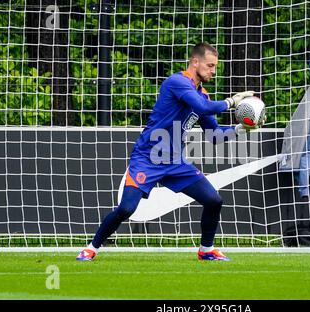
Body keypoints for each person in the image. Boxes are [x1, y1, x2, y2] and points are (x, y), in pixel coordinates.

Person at [76, 42, 258, 261]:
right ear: (195, 62)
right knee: (126, 209)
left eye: (214, 67)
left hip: (175, 162)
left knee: (214, 200)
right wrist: (232, 101)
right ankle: (91, 248)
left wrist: (240, 129)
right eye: (210, 66)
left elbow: (215, 136)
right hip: (148, 158)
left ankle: (206, 250)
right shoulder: (177, 82)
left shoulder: (204, 95)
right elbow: (201, 108)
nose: (212, 71)